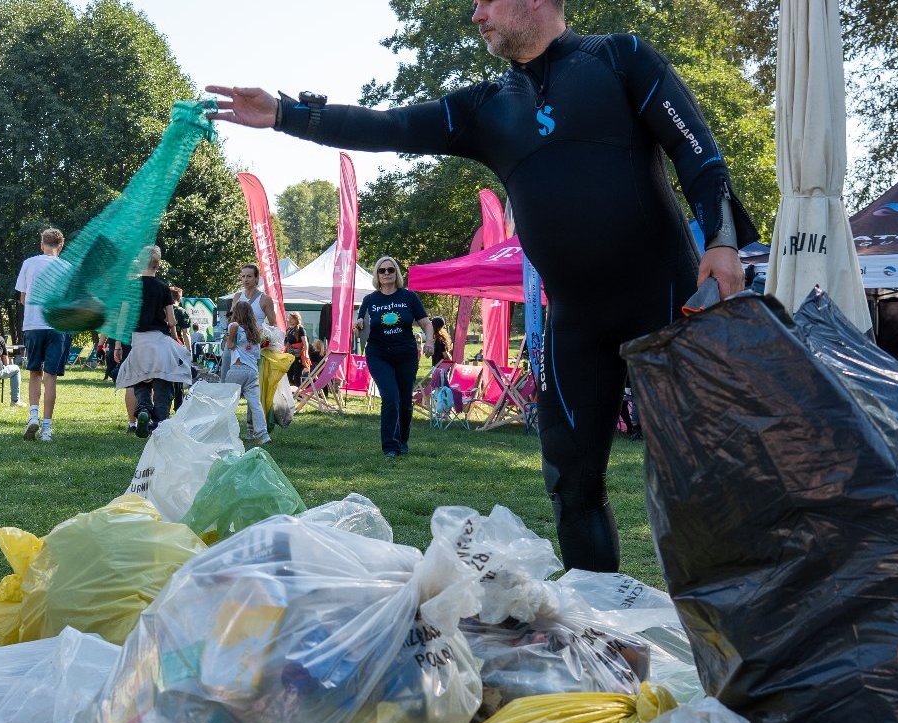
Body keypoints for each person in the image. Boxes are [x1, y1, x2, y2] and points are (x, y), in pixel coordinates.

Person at [210, 0, 756, 570]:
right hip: (577, 324)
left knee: (706, 482)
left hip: (667, 305)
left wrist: (720, 240)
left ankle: (752, 640)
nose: (475, 15)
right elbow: (390, 125)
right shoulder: (490, 107)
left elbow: (699, 154)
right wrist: (286, 115)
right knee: (571, 483)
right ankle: (603, 642)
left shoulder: (621, 59)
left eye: (485, 1)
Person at [355, 257, 434, 458]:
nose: (387, 273)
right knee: (390, 397)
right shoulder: (370, 300)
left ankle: (402, 440)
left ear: (396, 273)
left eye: (391, 269)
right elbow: (359, 327)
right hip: (378, 354)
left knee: (404, 400)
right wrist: (357, 328)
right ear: (377, 275)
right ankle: (390, 447)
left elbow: (426, 323)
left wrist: (430, 342)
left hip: (406, 354)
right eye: (382, 271)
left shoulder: (408, 297)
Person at [114, 246, 189, 435]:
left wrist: (117, 345)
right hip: (160, 341)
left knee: (141, 383)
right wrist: (173, 334)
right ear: (158, 265)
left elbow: (122, 319)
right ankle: (161, 422)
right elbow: (172, 321)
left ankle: (144, 410)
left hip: (138, 342)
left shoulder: (130, 287)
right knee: (163, 383)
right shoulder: (163, 288)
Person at [14, 227, 69, 441]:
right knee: (51, 376)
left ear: (42, 244)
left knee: (34, 372)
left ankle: (33, 416)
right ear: (60, 246)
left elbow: (22, 298)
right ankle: (47, 428)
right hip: (57, 326)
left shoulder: (29, 264)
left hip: (33, 325)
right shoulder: (67, 267)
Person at [225, 299, 270, 445]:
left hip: (237, 369)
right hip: (252, 371)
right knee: (255, 404)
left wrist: (228, 339)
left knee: (227, 403)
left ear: (237, 313)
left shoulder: (234, 326)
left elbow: (230, 345)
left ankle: (224, 433)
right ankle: (263, 435)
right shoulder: (256, 331)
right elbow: (256, 355)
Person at [284, 310, 312, 385]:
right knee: (288, 375)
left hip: (298, 357)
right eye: (289, 318)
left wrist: (302, 354)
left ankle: (300, 394)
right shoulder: (289, 329)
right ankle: (292, 393)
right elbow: (286, 342)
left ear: (296, 319)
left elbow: (305, 344)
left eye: (291, 318)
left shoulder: (301, 329)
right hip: (290, 356)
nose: (289, 320)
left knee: (297, 376)